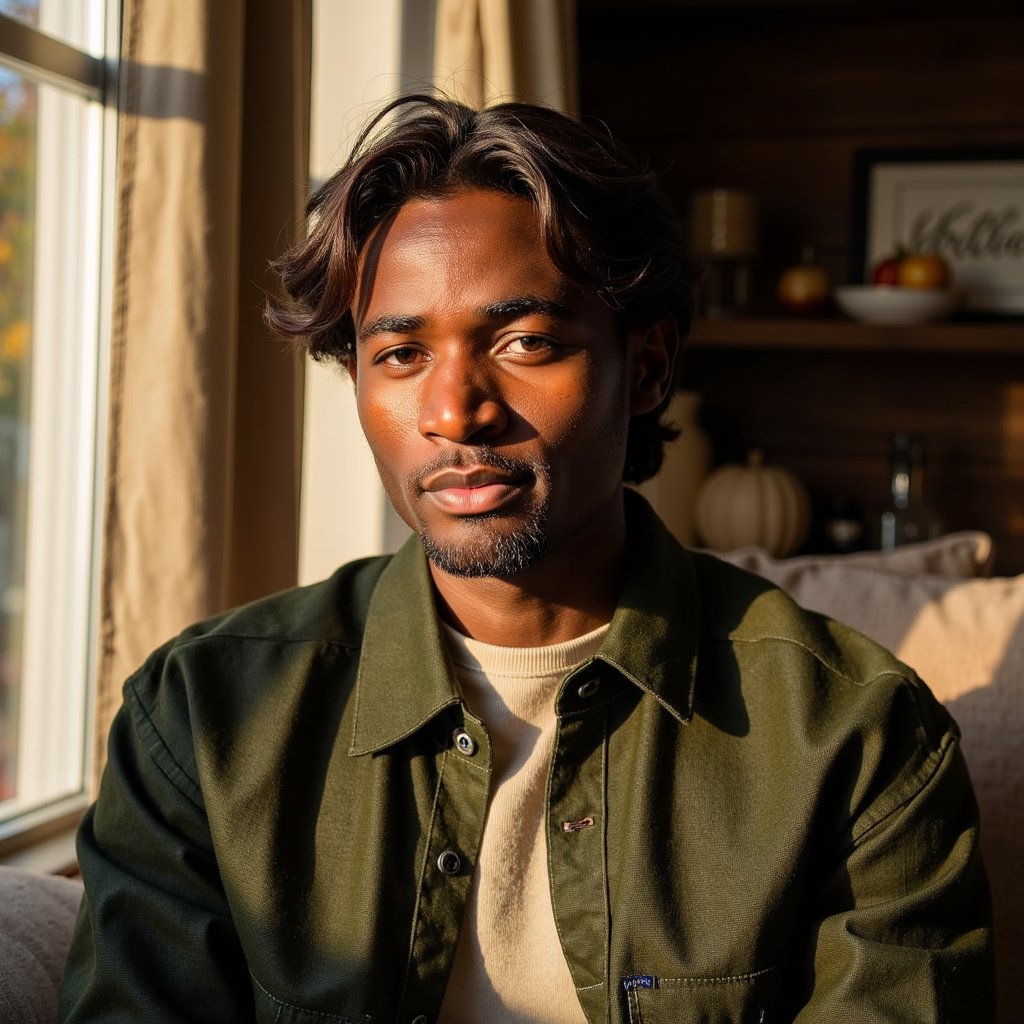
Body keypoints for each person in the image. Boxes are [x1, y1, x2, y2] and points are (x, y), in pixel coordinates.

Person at [60, 95, 994, 1024]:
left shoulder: (858, 736)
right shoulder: (200, 722)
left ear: (650, 367)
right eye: (400, 354)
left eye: (525, 342)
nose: (455, 410)